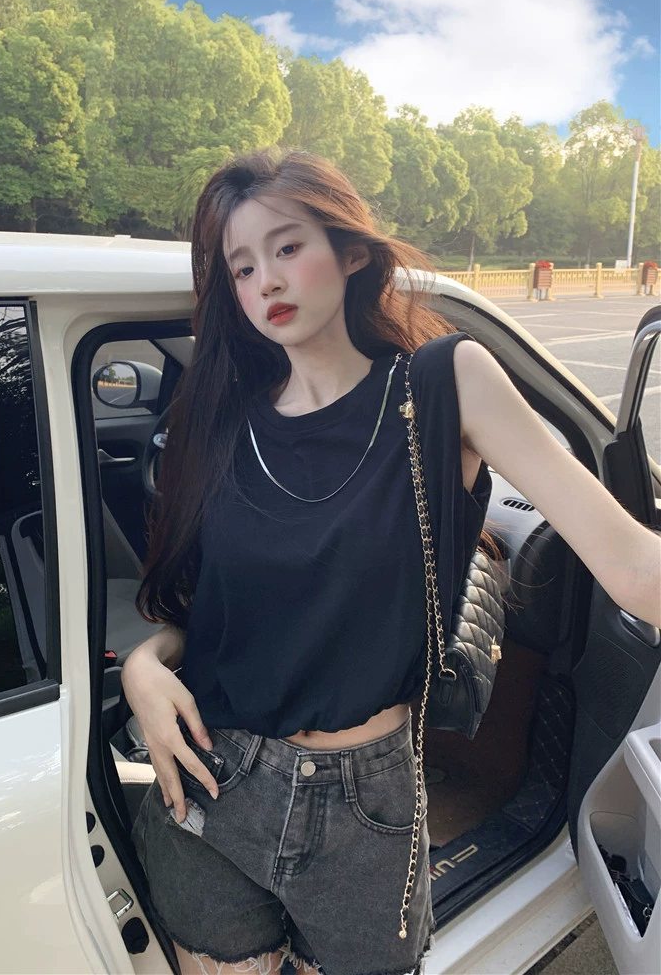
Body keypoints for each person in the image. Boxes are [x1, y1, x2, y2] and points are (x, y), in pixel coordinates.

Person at [121, 146, 661, 975]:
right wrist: (144, 668)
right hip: (212, 777)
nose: (267, 280)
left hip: (361, 802)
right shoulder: (226, 422)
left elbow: (630, 563)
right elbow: (220, 614)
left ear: (351, 252)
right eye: (242, 266)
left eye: (287, 247)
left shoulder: (443, 385)